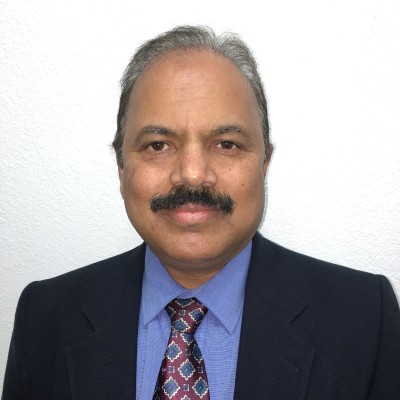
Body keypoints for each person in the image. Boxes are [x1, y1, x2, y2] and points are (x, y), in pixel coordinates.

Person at [2, 25, 400, 400]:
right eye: (158, 145)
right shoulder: (46, 316)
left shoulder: (364, 318)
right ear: (121, 168)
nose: (192, 174)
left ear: (264, 163)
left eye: (226, 144)